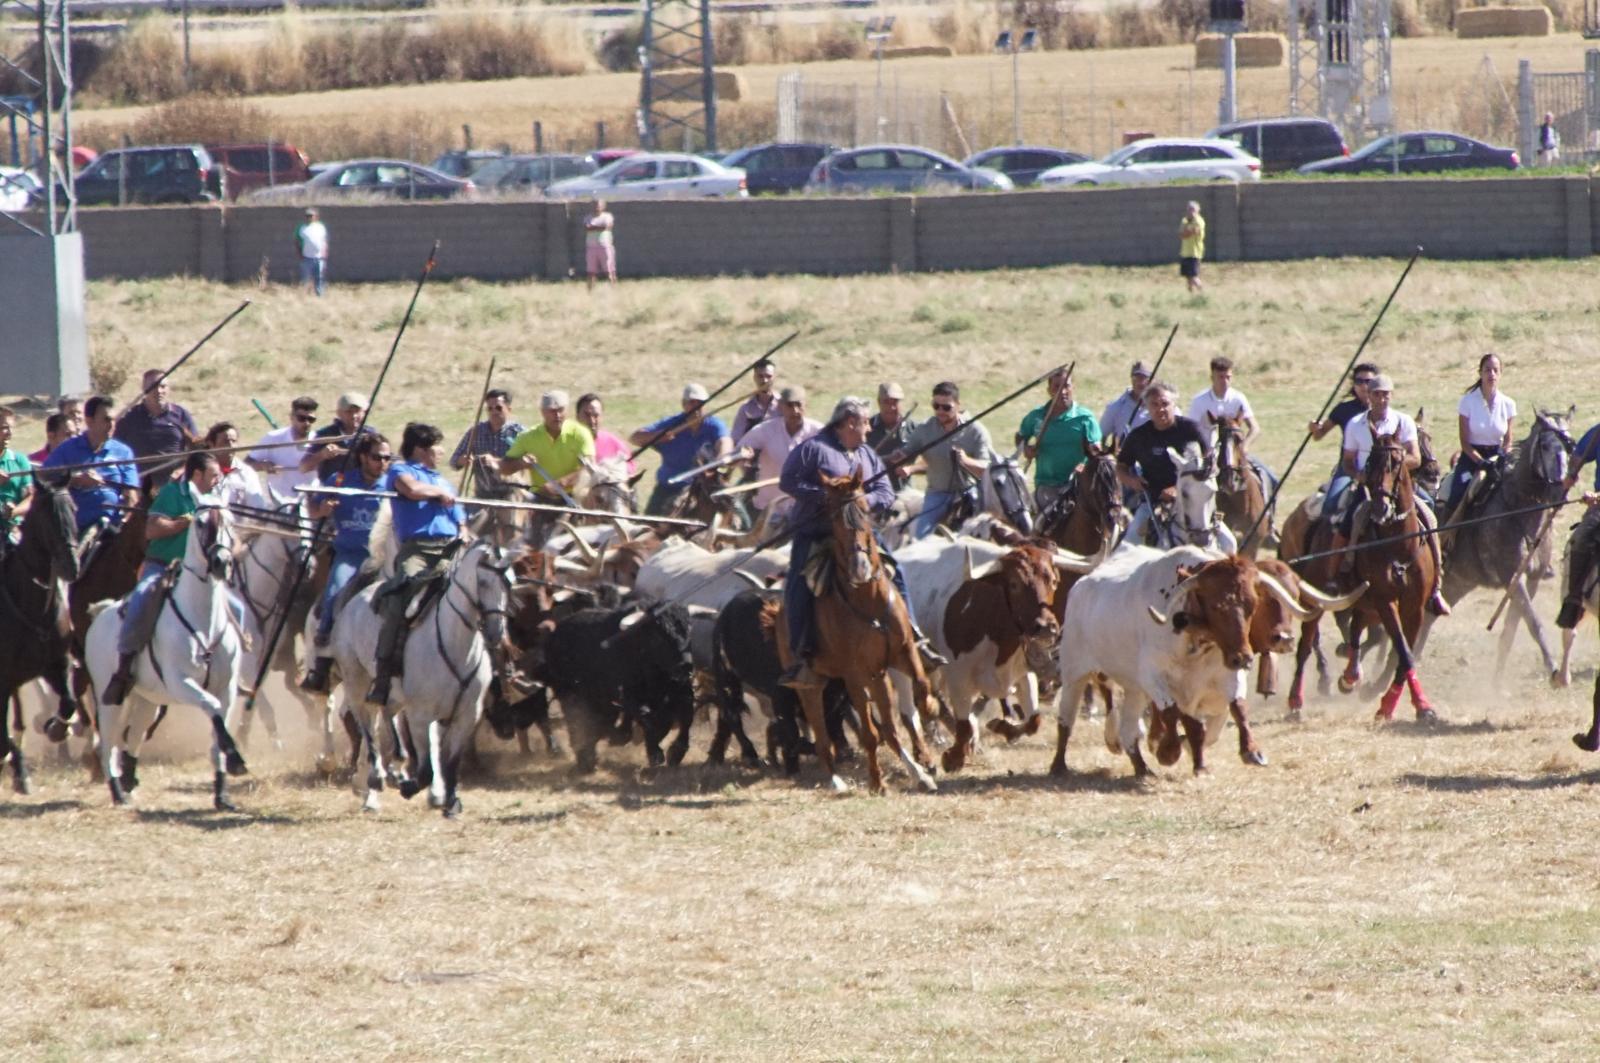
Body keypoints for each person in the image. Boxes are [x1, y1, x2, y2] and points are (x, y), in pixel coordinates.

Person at [776, 396, 946, 689]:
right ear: (849, 422)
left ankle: (913, 636)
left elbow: (885, 491)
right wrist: (826, 496)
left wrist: (862, 501)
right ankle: (802, 655)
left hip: (860, 531)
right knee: (797, 583)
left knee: (896, 571)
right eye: (865, 422)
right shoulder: (813, 449)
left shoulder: (866, 454)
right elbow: (788, 482)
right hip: (816, 532)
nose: (869, 429)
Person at [100, 450, 223, 706]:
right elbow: (152, 530)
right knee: (142, 598)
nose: (217, 480)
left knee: (237, 607)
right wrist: (183, 523)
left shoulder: (214, 499)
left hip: (198, 570)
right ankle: (124, 668)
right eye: (213, 475)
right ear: (197, 474)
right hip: (162, 565)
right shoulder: (171, 493)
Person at [1330, 374, 1450, 615]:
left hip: (1400, 486)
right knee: (1350, 521)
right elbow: (1348, 461)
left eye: (1386, 394)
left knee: (1431, 517)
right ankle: (1338, 572)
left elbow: (1416, 458)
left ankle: (1436, 582)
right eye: (1377, 394)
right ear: (1369, 396)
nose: (1382, 399)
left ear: (1391, 396)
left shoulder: (1404, 422)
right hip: (1369, 487)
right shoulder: (1355, 424)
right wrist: (1363, 476)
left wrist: (1392, 467)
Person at [369, 423, 466, 707]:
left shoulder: (443, 480)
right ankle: (384, 673)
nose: (441, 452)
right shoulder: (401, 471)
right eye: (437, 446)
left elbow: (460, 514)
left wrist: (463, 529)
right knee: (403, 592)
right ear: (421, 450)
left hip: (451, 547)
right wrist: (437, 493)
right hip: (419, 551)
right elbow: (411, 491)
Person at [300, 433, 392, 693]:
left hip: (382, 557)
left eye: (387, 458)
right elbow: (312, 510)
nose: (382, 463)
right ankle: (322, 658)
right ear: (363, 457)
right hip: (350, 556)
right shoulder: (339, 480)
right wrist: (324, 511)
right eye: (376, 457)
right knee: (334, 592)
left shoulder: (393, 485)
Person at [892, 382, 996, 539]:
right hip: (937, 494)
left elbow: (988, 468)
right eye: (936, 406)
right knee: (921, 536)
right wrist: (900, 458)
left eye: (946, 407)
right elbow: (907, 453)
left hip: (969, 493)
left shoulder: (976, 431)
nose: (940, 411)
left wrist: (966, 461)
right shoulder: (924, 430)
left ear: (958, 404)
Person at [1116, 380, 1211, 547]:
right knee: (1129, 543)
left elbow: (1209, 460)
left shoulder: (1191, 429)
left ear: (1174, 404)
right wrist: (1131, 481)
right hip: (1152, 502)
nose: (1160, 409)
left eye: (1165, 404)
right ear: (1146, 408)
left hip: (1191, 501)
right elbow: (1120, 467)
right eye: (1154, 404)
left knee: (1228, 542)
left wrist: (1178, 488)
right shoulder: (1139, 436)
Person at [629, 383, 733, 516]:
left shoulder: (714, 425)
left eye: (700, 403)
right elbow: (635, 437)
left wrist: (722, 457)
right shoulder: (672, 423)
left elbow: (725, 442)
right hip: (670, 487)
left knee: (737, 513)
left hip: (703, 488)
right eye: (692, 403)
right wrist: (659, 436)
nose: (696, 407)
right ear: (684, 404)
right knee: (649, 522)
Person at [43, 394, 139, 535]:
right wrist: (76, 480)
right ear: (89, 421)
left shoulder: (123, 452)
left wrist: (127, 518)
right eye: (106, 419)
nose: (112, 425)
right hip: (77, 525)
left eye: (113, 419)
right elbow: (44, 479)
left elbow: (131, 492)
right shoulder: (67, 449)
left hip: (113, 524)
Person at [1441, 353, 1515, 523]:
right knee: (1457, 493)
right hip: (1472, 457)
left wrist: (1502, 457)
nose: (1492, 374)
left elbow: (1509, 439)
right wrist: (1481, 462)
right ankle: (1446, 538)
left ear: (1501, 373)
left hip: (1497, 457)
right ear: (1480, 372)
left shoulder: (1508, 404)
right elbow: (1465, 442)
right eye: (1487, 370)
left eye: (1496, 370)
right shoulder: (1468, 402)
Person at [737, 386, 822, 532]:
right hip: (769, 510)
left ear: (805, 406)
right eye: (790, 405)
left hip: (804, 510)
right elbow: (739, 452)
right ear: (781, 407)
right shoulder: (766, 430)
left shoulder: (818, 432)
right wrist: (746, 457)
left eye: (799, 405)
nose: (795, 411)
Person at [1018, 369, 1101, 512]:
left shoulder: (1085, 418)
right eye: (1057, 387)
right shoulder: (1037, 416)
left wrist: (1085, 466)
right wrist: (1025, 448)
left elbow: (1096, 450)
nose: (1062, 391)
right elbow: (1020, 435)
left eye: (1066, 386)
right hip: (1047, 487)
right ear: (1049, 390)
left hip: (1078, 485)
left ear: (1073, 387)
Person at [114, 368, 198, 488]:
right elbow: (115, 450)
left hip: (173, 486)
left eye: (163, 386)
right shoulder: (130, 417)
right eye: (153, 386)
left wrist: (180, 471)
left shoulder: (181, 415)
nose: (159, 391)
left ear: (168, 389)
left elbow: (196, 451)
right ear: (144, 389)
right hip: (139, 485)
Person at [1557, 419, 1600, 629]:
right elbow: (1578, 456)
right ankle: (1574, 599)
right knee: (1581, 537)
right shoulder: (1598, 433)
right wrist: (1571, 473)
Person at [450, 388, 525, 499]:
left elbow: (531, 462)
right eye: (490, 408)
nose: (494, 412)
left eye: (498, 408)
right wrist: (462, 460)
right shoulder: (476, 432)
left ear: (509, 409)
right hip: (483, 495)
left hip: (512, 493)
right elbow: (454, 461)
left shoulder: (520, 433)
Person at [247, 396, 319, 505]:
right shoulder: (273, 438)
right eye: (301, 418)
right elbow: (246, 465)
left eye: (311, 419)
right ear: (291, 417)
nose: (307, 423)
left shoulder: (319, 440)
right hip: (281, 498)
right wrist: (262, 465)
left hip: (311, 499)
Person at [1188, 356, 1259, 448]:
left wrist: (1244, 446)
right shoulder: (1199, 400)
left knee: (1258, 463)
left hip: (1233, 450)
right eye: (1221, 377)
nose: (1225, 381)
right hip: (1206, 451)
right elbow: (1190, 429)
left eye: (1228, 377)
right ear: (1212, 378)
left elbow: (1255, 428)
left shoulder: (1238, 398)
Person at [301, 392, 371, 482]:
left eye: (357, 411)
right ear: (339, 413)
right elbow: (303, 467)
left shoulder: (370, 435)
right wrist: (322, 454)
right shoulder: (325, 434)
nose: (354, 416)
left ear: (364, 412)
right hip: (331, 490)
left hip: (361, 489)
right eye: (349, 412)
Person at [202, 422, 268, 511]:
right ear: (211, 445)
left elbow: (257, 508)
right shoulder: (200, 472)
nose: (231, 446)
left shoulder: (247, 473)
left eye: (233, 441)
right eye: (225, 442)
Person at [866, 382, 918, 493]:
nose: (891, 407)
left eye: (895, 402)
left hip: (905, 493)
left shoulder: (914, 428)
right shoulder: (866, 428)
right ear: (879, 402)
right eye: (886, 402)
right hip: (873, 492)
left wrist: (911, 469)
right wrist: (888, 458)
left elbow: (932, 461)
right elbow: (859, 463)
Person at [576, 393, 634, 474]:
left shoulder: (614, 443)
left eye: (596, 416)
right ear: (577, 416)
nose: (592, 421)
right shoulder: (566, 441)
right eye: (587, 415)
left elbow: (630, 467)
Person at [0, 407, 33, 544]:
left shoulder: (20, 460)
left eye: (11, 428)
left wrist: (14, 511)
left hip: (13, 529)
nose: (9, 434)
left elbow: (30, 497)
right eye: (4, 428)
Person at [1100, 360, 1153, 442]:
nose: (1140, 382)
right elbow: (1100, 436)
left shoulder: (1162, 407)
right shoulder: (1116, 407)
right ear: (1131, 379)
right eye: (1137, 378)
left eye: (1144, 378)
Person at [730, 360, 779, 445]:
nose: (765, 380)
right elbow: (736, 439)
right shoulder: (746, 409)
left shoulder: (784, 405)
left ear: (774, 378)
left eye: (769, 376)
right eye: (760, 376)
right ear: (754, 377)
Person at [297, 207, 329, 296]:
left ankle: (320, 295)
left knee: (319, 278)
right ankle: (306, 295)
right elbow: (297, 242)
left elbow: (324, 240)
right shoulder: (302, 228)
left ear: (316, 216)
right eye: (307, 216)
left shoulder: (321, 227)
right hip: (306, 258)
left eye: (311, 216)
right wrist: (300, 254)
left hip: (319, 258)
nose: (309, 217)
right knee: (306, 278)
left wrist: (325, 252)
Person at [585, 198, 616, 290]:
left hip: (605, 246)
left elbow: (608, 226)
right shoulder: (588, 217)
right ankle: (590, 292)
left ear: (603, 206)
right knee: (591, 272)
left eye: (598, 205)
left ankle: (613, 290)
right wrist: (600, 227)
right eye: (595, 205)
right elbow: (587, 228)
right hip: (591, 247)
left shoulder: (608, 216)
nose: (596, 207)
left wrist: (594, 227)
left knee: (609, 271)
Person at [1179, 200, 1205, 293]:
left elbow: (1194, 232)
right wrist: (1188, 230)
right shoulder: (1184, 220)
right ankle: (1191, 296)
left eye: (1193, 209)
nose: (1191, 211)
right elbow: (1182, 235)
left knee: (1194, 276)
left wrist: (1187, 231)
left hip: (1195, 253)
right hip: (1185, 253)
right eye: (1189, 209)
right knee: (1188, 277)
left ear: (1198, 210)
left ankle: (1202, 293)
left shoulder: (1199, 221)